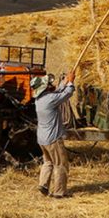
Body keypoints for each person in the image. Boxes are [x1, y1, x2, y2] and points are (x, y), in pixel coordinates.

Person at [32, 70, 75, 198]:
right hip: (53, 139)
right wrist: (71, 81)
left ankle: (43, 184)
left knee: (48, 162)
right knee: (61, 164)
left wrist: (65, 81)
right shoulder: (50, 99)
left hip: (42, 139)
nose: (51, 86)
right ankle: (59, 193)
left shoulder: (40, 100)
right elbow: (67, 93)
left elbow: (56, 93)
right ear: (45, 88)